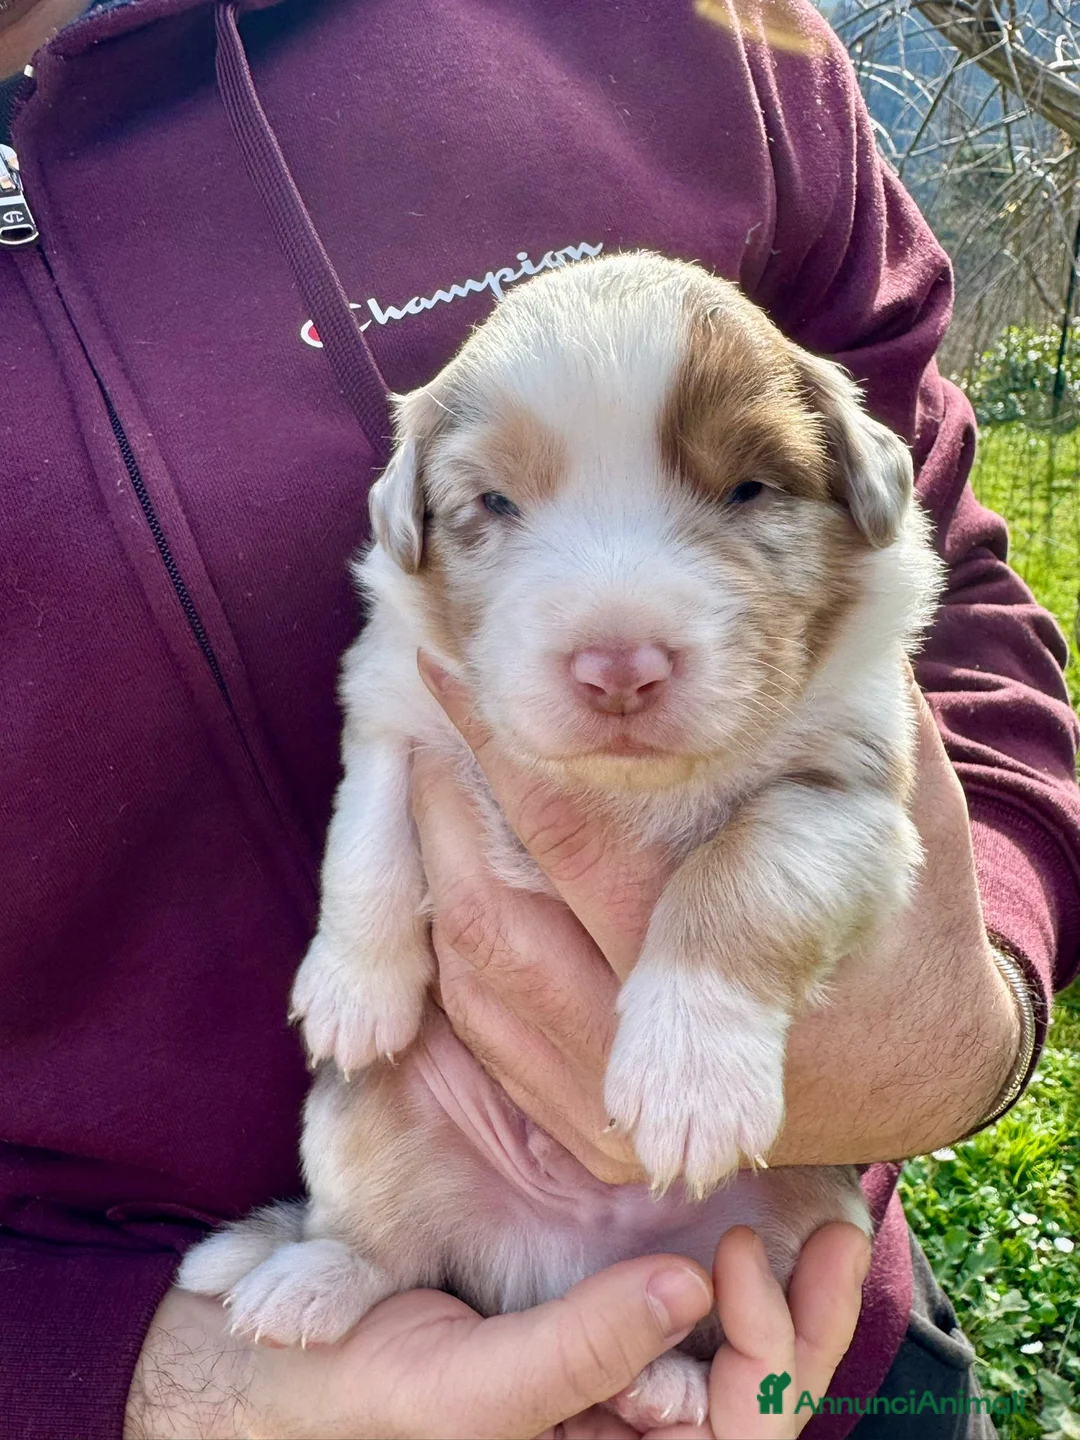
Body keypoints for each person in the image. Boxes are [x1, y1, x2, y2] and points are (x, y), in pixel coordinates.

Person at [1, 0, 1077, 1436]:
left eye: (739, 497)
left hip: (797, 1341)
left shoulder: (703, 26)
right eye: (502, 509)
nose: (622, 644)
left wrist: (970, 999)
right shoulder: (426, 582)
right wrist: (165, 1385)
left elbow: (958, 592)